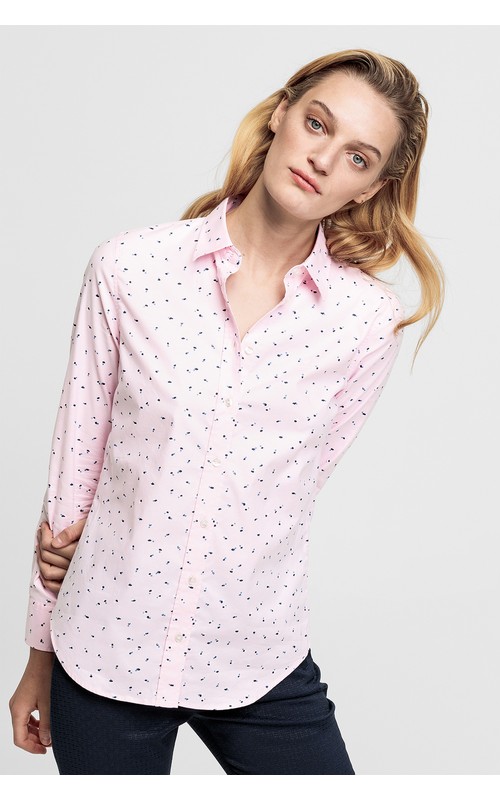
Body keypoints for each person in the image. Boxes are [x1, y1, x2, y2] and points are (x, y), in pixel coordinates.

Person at [9, 48, 445, 775]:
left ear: (372, 186)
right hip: (104, 647)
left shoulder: (365, 322)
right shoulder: (130, 269)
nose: (322, 158)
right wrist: (38, 656)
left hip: (255, 655)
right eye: (317, 123)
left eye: (358, 157)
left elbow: (293, 489)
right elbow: (72, 476)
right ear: (281, 114)